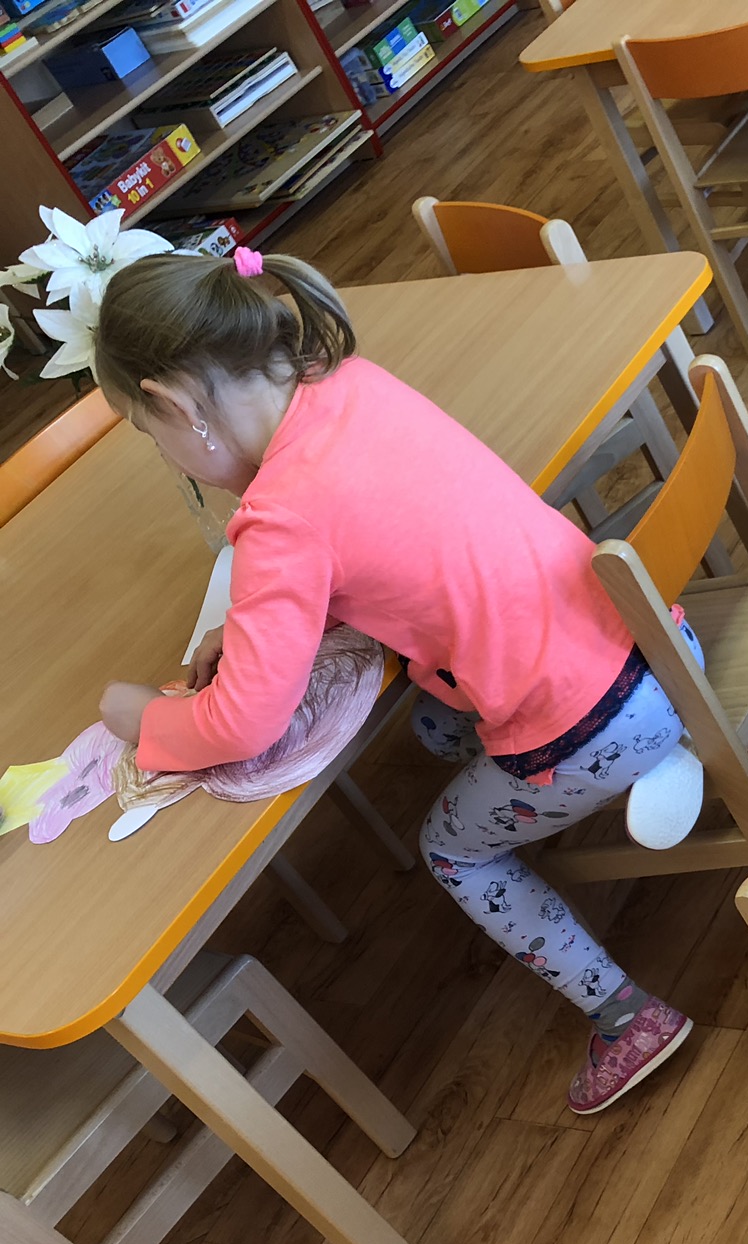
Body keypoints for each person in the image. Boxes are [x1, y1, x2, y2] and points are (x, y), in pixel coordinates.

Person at [91, 247, 698, 1114]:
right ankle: (639, 762)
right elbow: (384, 536)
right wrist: (252, 624)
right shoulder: (349, 383)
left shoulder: (279, 520)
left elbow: (244, 725)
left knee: (452, 850)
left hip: (586, 724)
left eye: (156, 441)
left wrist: (142, 715)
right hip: (658, 646)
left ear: (177, 406)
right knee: (432, 724)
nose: (172, 459)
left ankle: (627, 1016)